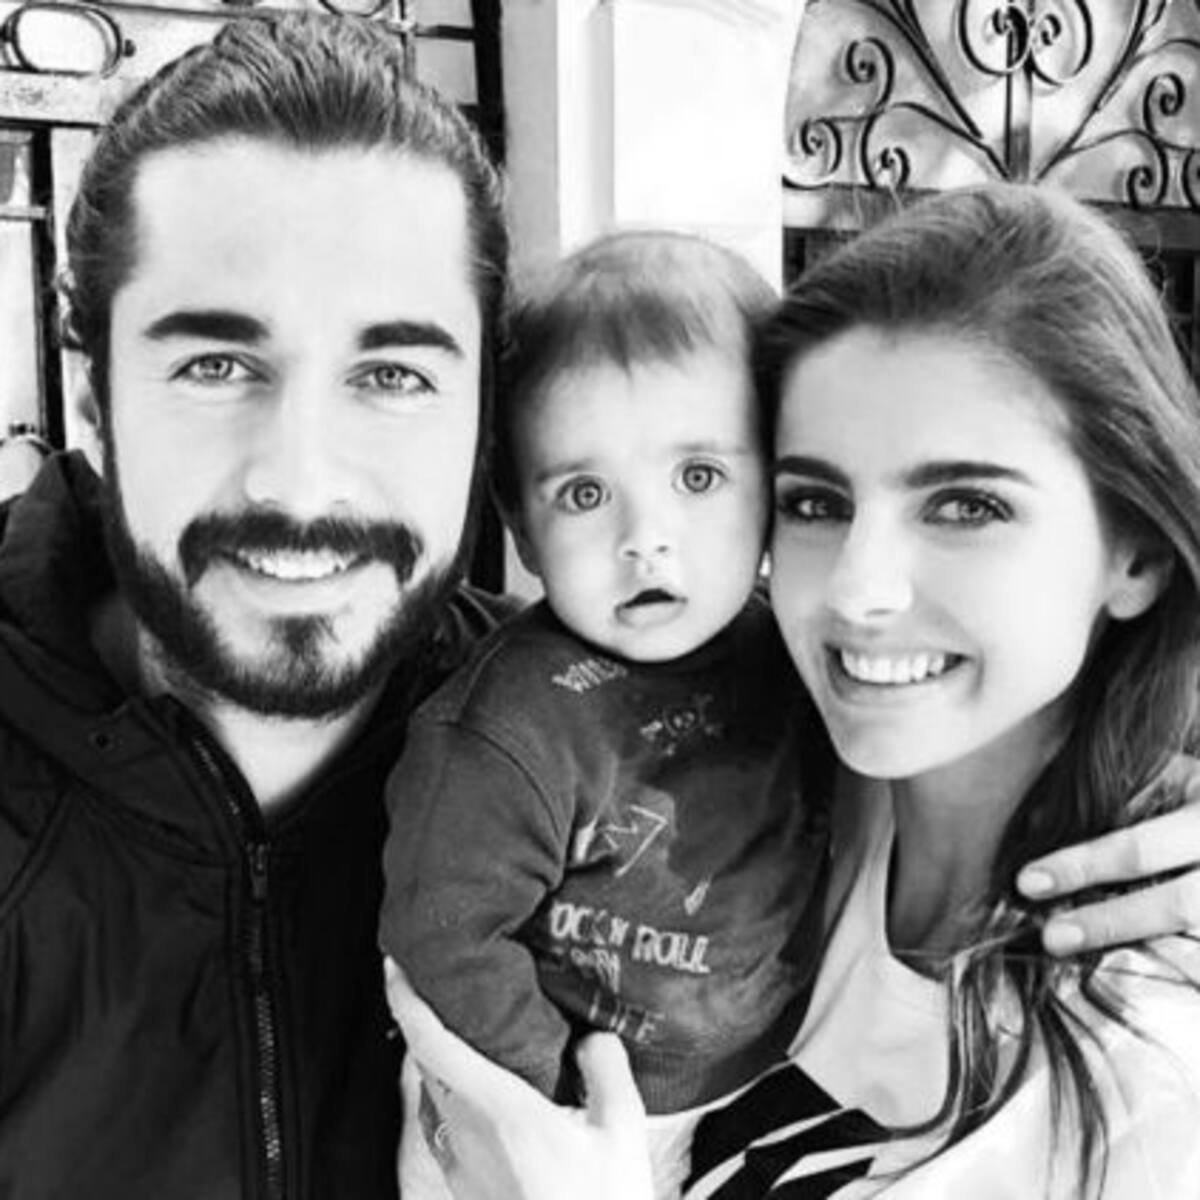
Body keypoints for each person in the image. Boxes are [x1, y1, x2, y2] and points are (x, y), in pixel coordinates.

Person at [388, 183, 1200, 1200]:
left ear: (1137, 551)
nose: (857, 590)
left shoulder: (1157, 1072)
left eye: (966, 505)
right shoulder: (794, 768)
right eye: (814, 501)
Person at [0, 14, 514, 1198]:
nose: (300, 481)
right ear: (95, 400)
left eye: (392, 375)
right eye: (216, 366)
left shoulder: (620, 761)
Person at [380, 231, 835, 1198]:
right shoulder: (507, 728)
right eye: (585, 493)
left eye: (698, 477)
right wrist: (558, 1105)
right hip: (539, 1119)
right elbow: (446, 935)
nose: (646, 538)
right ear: (521, 526)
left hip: (758, 1088)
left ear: (774, 485)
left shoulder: (797, 655)